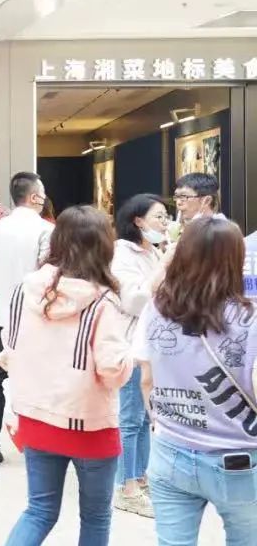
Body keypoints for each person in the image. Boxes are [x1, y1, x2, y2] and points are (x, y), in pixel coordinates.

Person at [0, 206, 132, 546]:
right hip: (89, 424)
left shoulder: (25, 290)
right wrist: (130, 355)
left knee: (39, 511)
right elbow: (113, 371)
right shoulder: (103, 301)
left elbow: (8, 351)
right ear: (104, 246)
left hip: (35, 416)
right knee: (96, 517)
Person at [135, 217, 257, 545]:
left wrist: (163, 423)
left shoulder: (157, 309)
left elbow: (146, 380)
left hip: (170, 449)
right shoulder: (251, 319)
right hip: (239, 458)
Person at [0, 171, 54, 470]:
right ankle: (39, 447)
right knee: (39, 382)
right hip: (35, 318)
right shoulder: (46, 230)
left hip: (3, 318)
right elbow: (48, 273)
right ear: (34, 196)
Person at [109, 194, 169, 519]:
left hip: (153, 344)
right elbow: (132, 300)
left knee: (146, 416)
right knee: (131, 417)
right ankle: (125, 487)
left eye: (166, 217)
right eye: (159, 216)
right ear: (138, 221)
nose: (165, 223)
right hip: (132, 345)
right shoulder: (122, 253)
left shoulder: (154, 252)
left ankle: (141, 477)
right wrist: (166, 266)